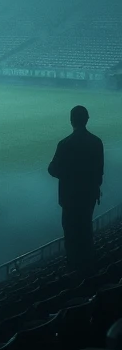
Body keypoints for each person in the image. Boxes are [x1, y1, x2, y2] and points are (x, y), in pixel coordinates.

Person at [48, 105, 104, 274]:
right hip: (89, 197)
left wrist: (69, 175)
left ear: (71, 121)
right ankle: (88, 268)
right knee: (86, 230)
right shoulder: (96, 142)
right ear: (87, 119)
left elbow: (53, 170)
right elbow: (99, 171)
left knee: (71, 234)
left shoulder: (65, 144)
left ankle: (74, 271)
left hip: (70, 198)